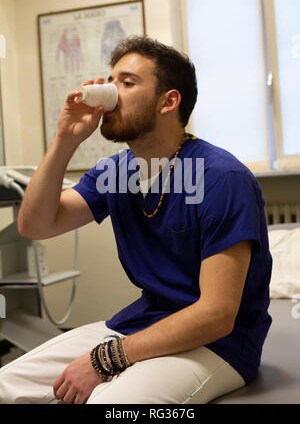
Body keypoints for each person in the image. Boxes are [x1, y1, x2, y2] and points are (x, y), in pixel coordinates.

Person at [0, 36, 272, 404]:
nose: (111, 92)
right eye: (112, 81)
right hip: (142, 324)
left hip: (220, 344)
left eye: (127, 83)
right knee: (6, 385)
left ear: (168, 101)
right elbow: (35, 226)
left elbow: (217, 315)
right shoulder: (115, 171)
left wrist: (104, 360)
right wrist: (65, 139)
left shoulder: (222, 177)